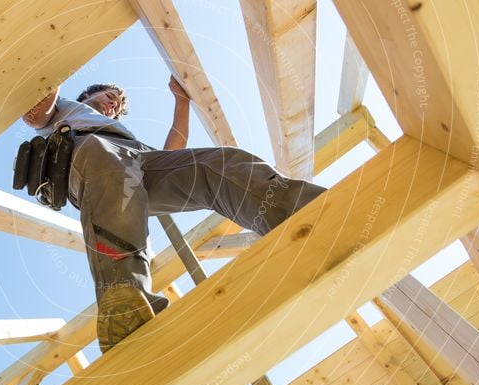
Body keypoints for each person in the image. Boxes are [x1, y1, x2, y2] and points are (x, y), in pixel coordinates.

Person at [22, 76, 325, 353]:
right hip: (89, 158)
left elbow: (172, 151)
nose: (113, 102)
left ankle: (301, 212)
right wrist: (51, 77)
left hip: (135, 161)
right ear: (89, 93)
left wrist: (182, 102)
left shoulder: (120, 131)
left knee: (218, 164)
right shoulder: (67, 110)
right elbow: (36, 114)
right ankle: (125, 300)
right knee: (113, 172)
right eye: (108, 94)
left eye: (116, 103)